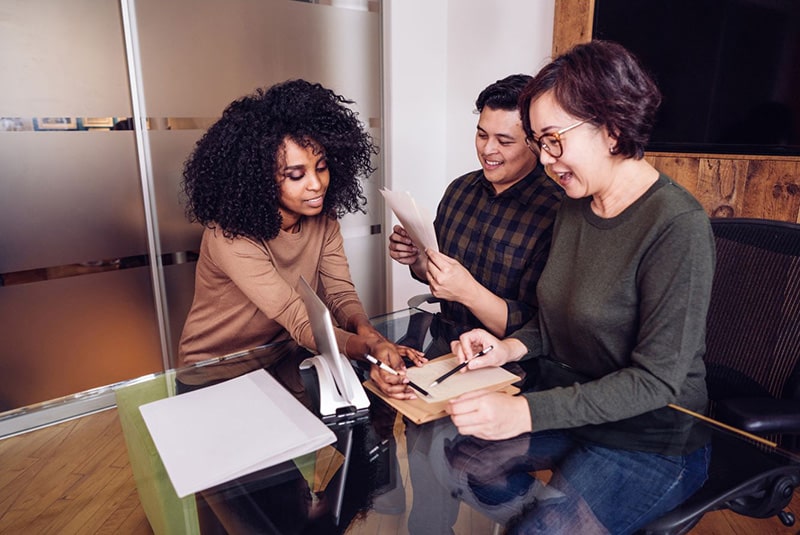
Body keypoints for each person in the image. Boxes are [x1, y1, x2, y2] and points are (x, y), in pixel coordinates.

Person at [441, 40, 716, 534]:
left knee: (544, 527)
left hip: (653, 437)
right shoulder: (575, 205)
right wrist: (505, 348)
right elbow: (557, 321)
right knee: (465, 456)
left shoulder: (677, 225)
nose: (545, 158)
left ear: (611, 129)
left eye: (553, 139)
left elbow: (656, 382)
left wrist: (524, 412)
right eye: (539, 141)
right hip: (581, 410)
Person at [177, 79, 421, 394]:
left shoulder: (323, 218)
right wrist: (368, 349)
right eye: (296, 175)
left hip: (281, 358)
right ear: (259, 179)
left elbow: (340, 294)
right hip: (215, 371)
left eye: (321, 167)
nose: (316, 185)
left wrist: (372, 337)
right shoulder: (229, 235)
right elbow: (298, 317)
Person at [388, 74, 562, 341]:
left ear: (535, 143)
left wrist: (467, 291)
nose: (487, 149)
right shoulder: (460, 190)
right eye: (482, 135)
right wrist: (418, 259)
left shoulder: (555, 213)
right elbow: (436, 277)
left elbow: (539, 327)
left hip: (512, 363)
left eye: (504, 141)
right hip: (445, 344)